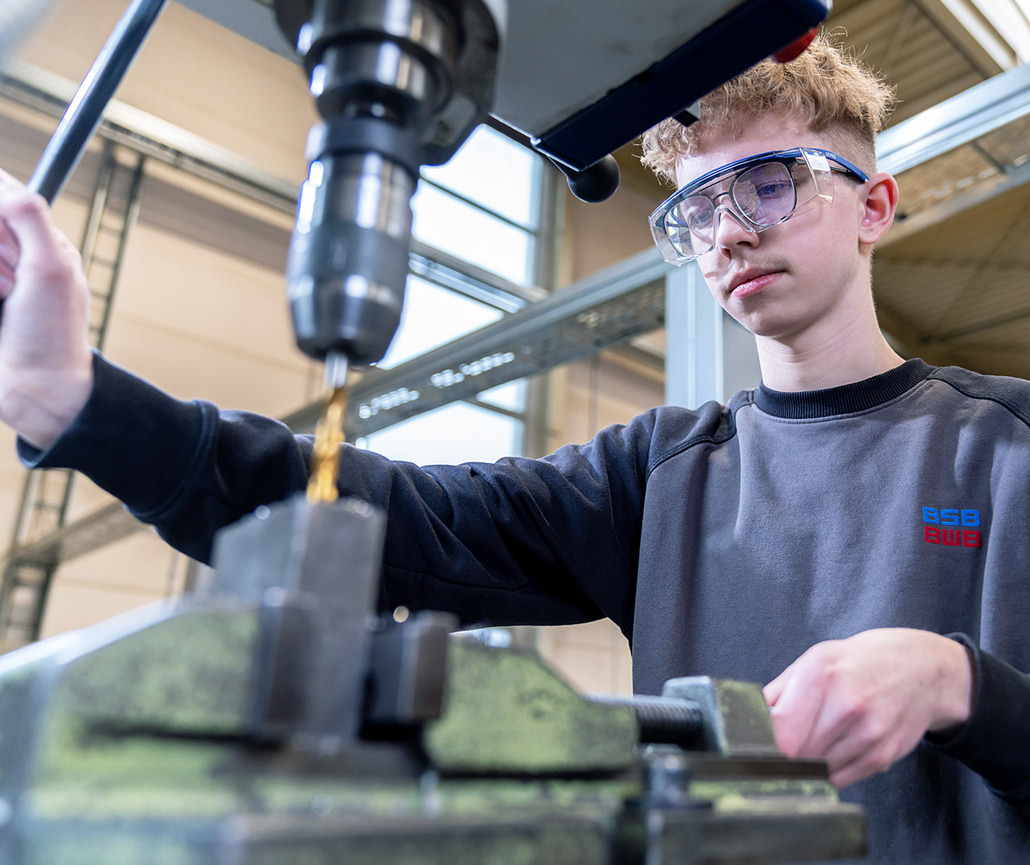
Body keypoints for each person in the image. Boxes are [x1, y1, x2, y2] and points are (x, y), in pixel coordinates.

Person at [0, 32, 1027, 863]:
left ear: (873, 207)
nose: (727, 235)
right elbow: (400, 519)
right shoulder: (658, 474)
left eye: (766, 185)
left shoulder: (1007, 448)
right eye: (696, 208)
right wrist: (75, 400)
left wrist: (959, 683)